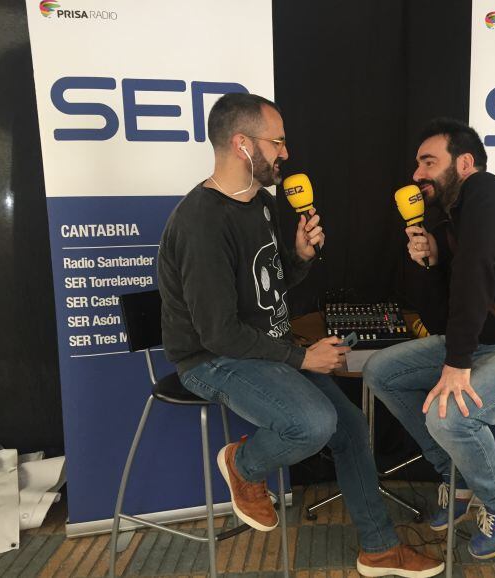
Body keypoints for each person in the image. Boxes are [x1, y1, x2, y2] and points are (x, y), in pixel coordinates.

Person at [157, 93, 443, 577]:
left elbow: (266, 291)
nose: (285, 154)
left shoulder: (262, 205)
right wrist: (301, 358)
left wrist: (299, 258)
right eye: (278, 143)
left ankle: (378, 548)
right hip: (211, 359)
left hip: (261, 347)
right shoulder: (201, 222)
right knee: (313, 423)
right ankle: (243, 464)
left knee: (350, 424)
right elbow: (218, 332)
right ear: (243, 145)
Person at [364, 118, 495, 559]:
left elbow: (477, 277)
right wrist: (429, 264)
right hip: (486, 345)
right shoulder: (452, 220)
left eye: (428, 162)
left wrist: (457, 362)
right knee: (380, 371)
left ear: (464, 163)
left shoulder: (488, 192)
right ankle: (457, 476)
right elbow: (442, 317)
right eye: (417, 164)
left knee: (448, 418)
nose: (417, 174)